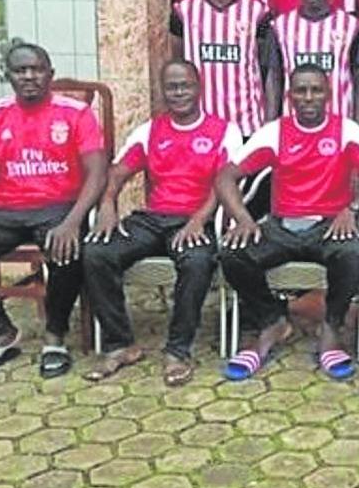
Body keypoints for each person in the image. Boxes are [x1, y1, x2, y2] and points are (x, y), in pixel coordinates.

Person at [0, 43, 106, 379]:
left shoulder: (75, 113)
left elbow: (97, 172)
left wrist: (74, 221)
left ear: (50, 74)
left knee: (67, 249)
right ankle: (1, 333)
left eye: (37, 69)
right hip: (7, 209)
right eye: (20, 70)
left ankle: (55, 336)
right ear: (7, 76)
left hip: (59, 207)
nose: (29, 76)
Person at [82, 61, 241, 386]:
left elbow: (225, 183)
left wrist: (199, 220)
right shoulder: (150, 130)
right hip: (153, 218)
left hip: (198, 218)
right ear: (163, 91)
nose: (179, 92)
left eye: (185, 85)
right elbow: (116, 173)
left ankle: (178, 350)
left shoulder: (224, 130)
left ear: (199, 88)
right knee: (97, 251)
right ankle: (120, 344)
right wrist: (108, 204)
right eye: (172, 87)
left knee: (197, 261)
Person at [215, 65, 359, 381]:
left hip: (330, 224)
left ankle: (331, 330)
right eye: (300, 91)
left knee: (350, 253)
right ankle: (271, 321)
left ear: (328, 95)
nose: (308, 97)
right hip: (282, 226)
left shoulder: (347, 130)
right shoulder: (275, 131)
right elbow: (225, 177)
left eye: (316, 90)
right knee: (233, 254)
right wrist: (244, 219)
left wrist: (352, 208)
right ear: (289, 96)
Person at [170, 0, 280, 137]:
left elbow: (267, 70)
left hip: (247, 125)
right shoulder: (183, 12)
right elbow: (178, 64)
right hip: (199, 124)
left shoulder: (257, 13)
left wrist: (269, 122)